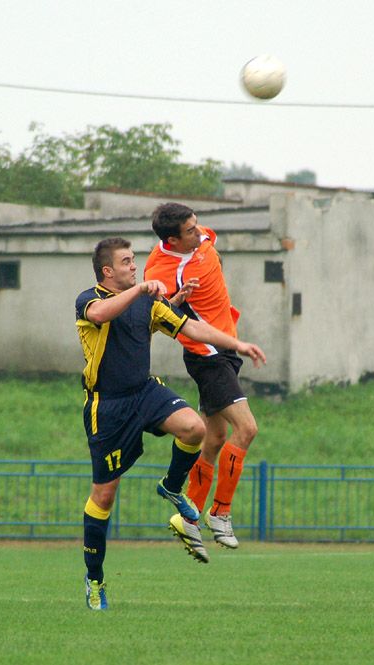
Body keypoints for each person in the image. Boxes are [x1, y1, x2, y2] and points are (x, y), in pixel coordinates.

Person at [76, 237, 266, 610]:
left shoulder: (147, 300)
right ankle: (94, 579)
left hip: (144, 392)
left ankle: (172, 487)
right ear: (107, 271)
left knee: (195, 428)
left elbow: (191, 329)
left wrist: (236, 344)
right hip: (108, 406)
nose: (135, 266)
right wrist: (144, 291)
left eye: (135, 260)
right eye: (127, 262)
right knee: (104, 495)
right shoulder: (89, 298)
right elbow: (101, 315)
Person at [144, 202, 259, 550]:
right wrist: (179, 300)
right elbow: (164, 321)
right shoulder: (159, 269)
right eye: (191, 230)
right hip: (207, 355)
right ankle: (220, 513)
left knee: (215, 438)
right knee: (247, 429)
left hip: (226, 348)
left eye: (197, 225)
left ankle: (188, 517)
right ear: (172, 240)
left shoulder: (202, 238)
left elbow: (212, 250)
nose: (200, 231)